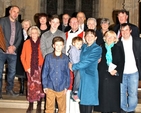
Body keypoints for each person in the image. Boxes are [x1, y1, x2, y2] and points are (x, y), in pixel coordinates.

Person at [69, 29, 102, 113]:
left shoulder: (97, 48)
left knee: (88, 102)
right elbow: (73, 52)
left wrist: (73, 66)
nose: (89, 37)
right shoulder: (83, 46)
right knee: (82, 102)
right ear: (84, 37)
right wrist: (70, 61)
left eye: (92, 36)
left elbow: (87, 62)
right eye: (87, 35)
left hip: (90, 77)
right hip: (81, 77)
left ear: (95, 38)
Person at [94, 30, 124, 113]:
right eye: (108, 36)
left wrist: (116, 70)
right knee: (103, 100)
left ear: (115, 39)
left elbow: (122, 62)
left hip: (113, 77)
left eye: (111, 37)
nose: (109, 38)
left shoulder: (118, 48)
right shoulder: (100, 48)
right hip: (102, 76)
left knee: (112, 100)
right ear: (104, 38)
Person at [117, 23, 141, 113]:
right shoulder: (117, 43)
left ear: (130, 31)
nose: (124, 32)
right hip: (122, 72)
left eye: (126, 30)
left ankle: (131, 110)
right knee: (121, 93)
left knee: (133, 93)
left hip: (133, 72)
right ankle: (123, 109)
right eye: (122, 30)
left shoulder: (138, 41)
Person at [42, 36, 70, 113]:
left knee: (62, 108)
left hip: (61, 86)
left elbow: (67, 73)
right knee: (49, 108)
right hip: (50, 86)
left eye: (60, 45)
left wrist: (66, 86)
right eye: (57, 45)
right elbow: (45, 72)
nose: (58, 47)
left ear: (63, 46)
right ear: (53, 45)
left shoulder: (65, 58)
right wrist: (45, 85)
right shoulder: (48, 57)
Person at [21, 26, 45, 113]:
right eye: (32, 33)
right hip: (30, 68)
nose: (34, 34)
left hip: (41, 67)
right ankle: (30, 105)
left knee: (40, 86)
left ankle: (39, 105)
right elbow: (22, 57)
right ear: (30, 34)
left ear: (38, 33)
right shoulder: (26, 43)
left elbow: (45, 54)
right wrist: (27, 67)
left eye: (35, 32)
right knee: (31, 87)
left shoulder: (42, 42)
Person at [0, 5, 22, 98]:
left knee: (12, 72)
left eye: (17, 12)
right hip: (2, 51)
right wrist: (7, 46)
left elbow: (20, 37)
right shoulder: (2, 21)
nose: (16, 14)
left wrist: (14, 47)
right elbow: (1, 35)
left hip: (13, 52)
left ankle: (9, 90)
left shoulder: (18, 24)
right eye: (14, 11)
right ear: (10, 11)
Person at [65, 17, 84, 113]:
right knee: (68, 84)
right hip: (68, 64)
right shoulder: (66, 35)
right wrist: (69, 62)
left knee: (78, 82)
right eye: (71, 22)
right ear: (69, 23)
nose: (74, 24)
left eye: (75, 22)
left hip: (79, 65)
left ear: (79, 22)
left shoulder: (83, 34)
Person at [16, 19, 32, 95]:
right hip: (20, 54)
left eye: (27, 24)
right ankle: (22, 88)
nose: (26, 26)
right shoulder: (18, 32)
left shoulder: (32, 33)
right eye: (24, 24)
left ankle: (29, 89)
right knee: (21, 72)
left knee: (28, 73)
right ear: (22, 25)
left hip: (29, 56)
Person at [68, 36, 83, 102]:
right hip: (76, 66)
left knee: (79, 78)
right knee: (78, 77)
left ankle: (77, 91)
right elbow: (74, 60)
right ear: (73, 43)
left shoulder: (79, 49)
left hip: (79, 65)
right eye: (77, 44)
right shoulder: (73, 49)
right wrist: (81, 64)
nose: (79, 45)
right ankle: (74, 92)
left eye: (80, 44)